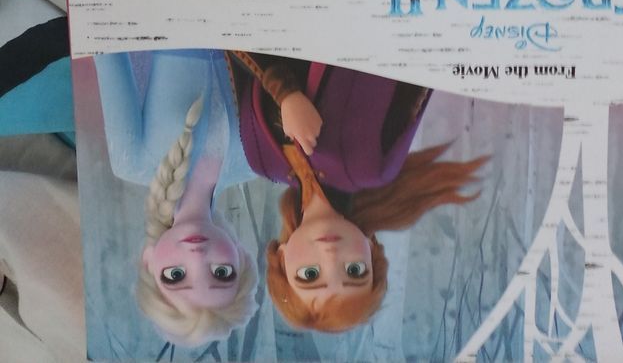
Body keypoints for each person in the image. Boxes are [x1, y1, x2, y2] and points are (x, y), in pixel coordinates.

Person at [225, 50, 487, 332]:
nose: (330, 255)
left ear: (281, 257)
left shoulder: (263, 162)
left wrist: (285, 92)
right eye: (354, 271)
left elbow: (236, 55)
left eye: (310, 274)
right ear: (371, 248)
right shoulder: (367, 166)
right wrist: (286, 92)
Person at [94, 48, 259, 348]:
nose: (197, 257)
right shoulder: (253, 164)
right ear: (241, 256)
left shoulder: (131, 162)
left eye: (176, 275)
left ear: (149, 263)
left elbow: (106, 51)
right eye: (221, 273)